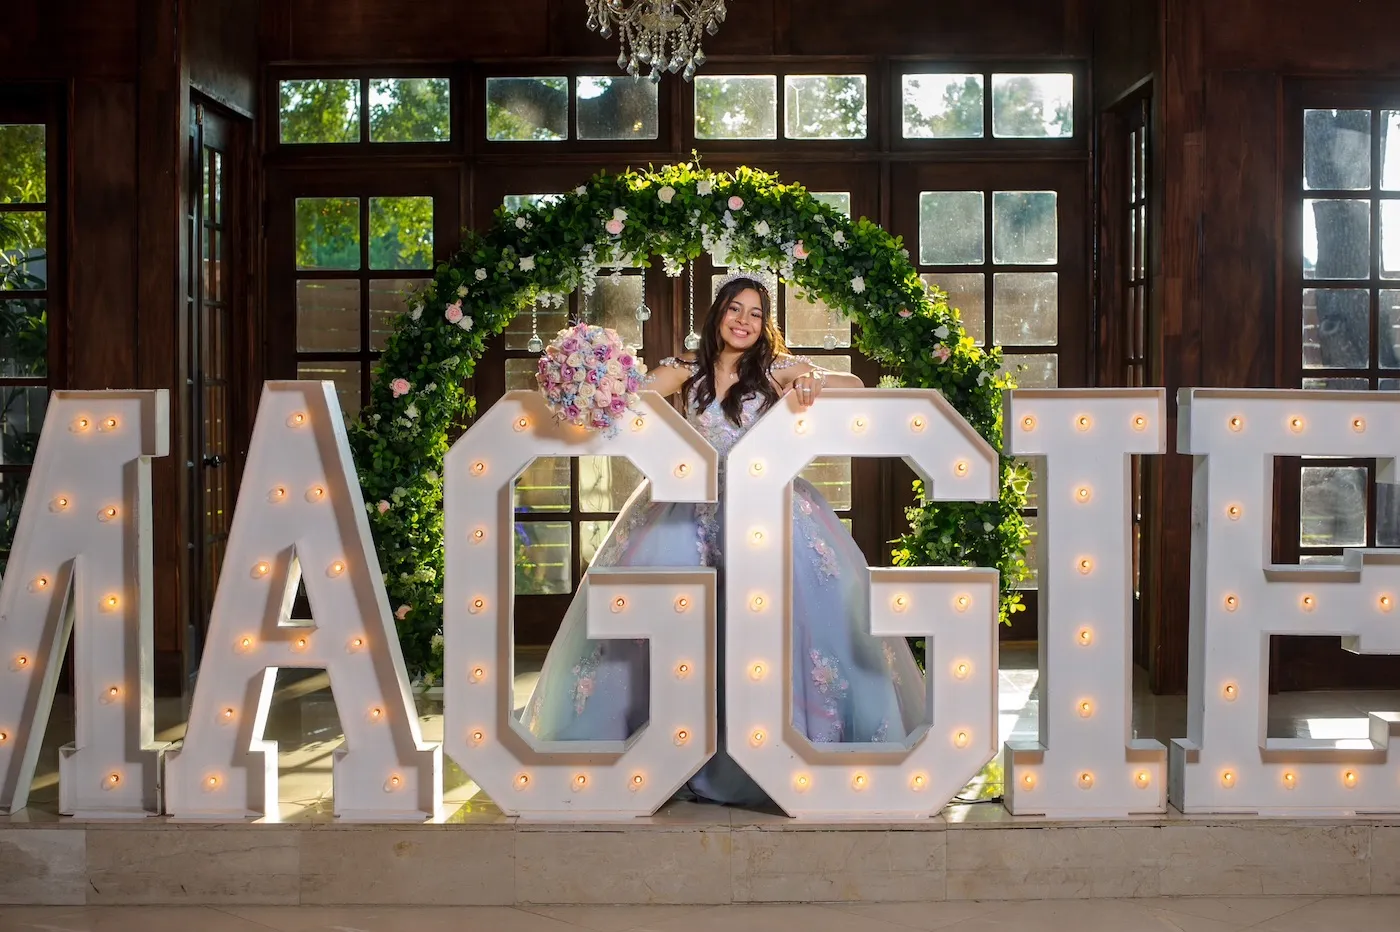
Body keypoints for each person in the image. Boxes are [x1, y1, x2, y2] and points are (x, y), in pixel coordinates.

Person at [520, 273, 927, 808]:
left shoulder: (779, 370)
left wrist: (815, 383)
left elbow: (855, 389)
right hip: (687, 506)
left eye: (755, 313)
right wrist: (590, 377)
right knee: (670, 618)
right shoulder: (685, 370)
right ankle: (661, 746)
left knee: (782, 620)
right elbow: (630, 399)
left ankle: (775, 752)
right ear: (716, 315)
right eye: (735, 310)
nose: (744, 321)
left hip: (765, 510)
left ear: (765, 325)